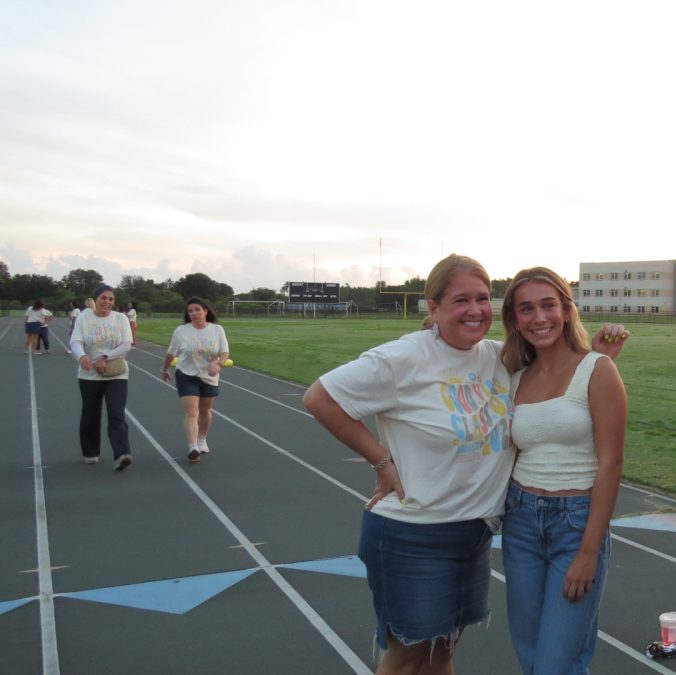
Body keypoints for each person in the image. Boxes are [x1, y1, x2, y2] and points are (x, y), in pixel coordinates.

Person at [302, 254, 626, 675]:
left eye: (481, 298)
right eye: (460, 300)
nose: (474, 310)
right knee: (409, 658)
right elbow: (319, 398)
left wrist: (596, 362)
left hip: (474, 530)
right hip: (413, 534)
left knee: (443, 655)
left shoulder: (500, 359)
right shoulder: (404, 357)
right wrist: (382, 462)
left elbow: (562, 398)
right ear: (433, 307)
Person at [498, 267, 627, 674]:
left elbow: (611, 464)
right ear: (515, 321)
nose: (539, 317)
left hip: (576, 523)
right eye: (526, 309)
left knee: (554, 663)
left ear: (567, 310)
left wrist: (589, 552)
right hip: (520, 522)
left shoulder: (598, 369)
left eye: (548, 305)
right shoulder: (515, 378)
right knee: (532, 653)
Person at [69, 284, 134, 470]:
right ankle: (90, 452)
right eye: (103, 298)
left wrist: (105, 358)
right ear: (95, 300)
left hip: (117, 373)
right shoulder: (84, 318)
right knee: (90, 413)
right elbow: (75, 341)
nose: (107, 302)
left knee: (116, 413)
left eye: (111, 299)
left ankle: (122, 453)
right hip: (89, 375)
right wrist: (82, 356)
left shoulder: (120, 318)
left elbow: (127, 344)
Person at [161, 297, 229, 463]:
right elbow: (171, 353)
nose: (194, 313)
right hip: (186, 374)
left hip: (209, 376)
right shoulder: (181, 331)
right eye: (190, 311)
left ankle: (201, 439)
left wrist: (218, 364)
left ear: (205, 311)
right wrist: (164, 369)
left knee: (205, 411)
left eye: (197, 309)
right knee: (192, 411)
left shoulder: (217, 330)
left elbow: (225, 352)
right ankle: (192, 447)